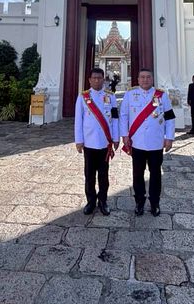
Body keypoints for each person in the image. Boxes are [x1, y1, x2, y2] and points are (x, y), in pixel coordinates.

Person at [120, 68, 175, 216]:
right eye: (142, 77)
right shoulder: (130, 95)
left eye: (148, 77)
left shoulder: (161, 96)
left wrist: (169, 137)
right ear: (138, 79)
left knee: (156, 174)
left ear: (152, 79)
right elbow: (124, 116)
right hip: (137, 142)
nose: (145, 80)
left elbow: (170, 118)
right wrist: (124, 135)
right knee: (138, 174)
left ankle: (155, 203)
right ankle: (139, 202)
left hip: (156, 143)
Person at [75, 68, 119, 216]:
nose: (96, 80)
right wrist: (79, 140)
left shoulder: (110, 96)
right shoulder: (83, 97)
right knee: (89, 175)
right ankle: (91, 201)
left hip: (105, 143)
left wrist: (116, 138)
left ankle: (103, 201)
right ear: (89, 80)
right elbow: (78, 120)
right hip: (89, 142)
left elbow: (115, 119)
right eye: (94, 78)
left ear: (103, 80)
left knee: (103, 175)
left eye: (99, 78)